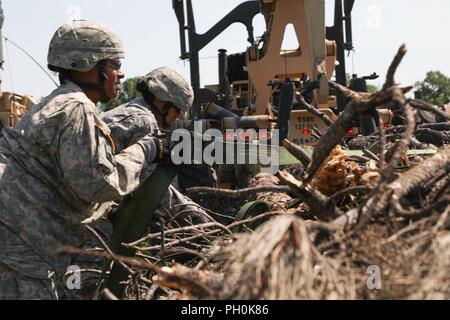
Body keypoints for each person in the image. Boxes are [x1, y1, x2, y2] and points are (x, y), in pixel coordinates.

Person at [0, 20, 169, 299]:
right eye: (114, 64)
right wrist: (148, 149)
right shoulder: (76, 109)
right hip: (21, 245)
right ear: (92, 66)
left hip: (20, 240)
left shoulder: (62, 102)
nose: (121, 73)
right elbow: (98, 184)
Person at [101, 67, 215, 226]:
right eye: (177, 111)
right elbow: (154, 189)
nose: (176, 118)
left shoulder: (131, 111)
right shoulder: (144, 122)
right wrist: (198, 217)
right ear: (162, 102)